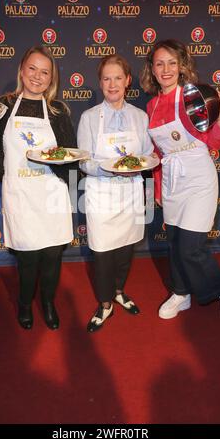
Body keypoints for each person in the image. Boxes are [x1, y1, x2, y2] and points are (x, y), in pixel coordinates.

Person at [0, 45, 78, 330]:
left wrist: (57, 159)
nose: (37, 76)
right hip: (21, 197)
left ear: (51, 79)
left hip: (52, 195)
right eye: (32, 68)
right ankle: (24, 303)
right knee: (28, 259)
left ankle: (48, 302)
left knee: (53, 257)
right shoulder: (1, 109)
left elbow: (71, 161)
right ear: (21, 69)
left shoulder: (57, 112)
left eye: (45, 72)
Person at [140, 38, 220, 325]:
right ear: (152, 68)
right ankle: (180, 291)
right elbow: (158, 153)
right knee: (174, 242)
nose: (166, 69)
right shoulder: (151, 105)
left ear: (182, 65)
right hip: (172, 179)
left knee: (191, 247)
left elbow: (215, 141)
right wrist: (159, 188)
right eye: (159, 63)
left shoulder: (195, 95)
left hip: (198, 177)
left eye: (172, 62)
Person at [77, 54, 154, 333]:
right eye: (107, 78)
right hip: (100, 194)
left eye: (118, 78)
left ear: (127, 81)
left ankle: (119, 291)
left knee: (125, 249)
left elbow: (147, 155)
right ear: (100, 83)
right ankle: (105, 303)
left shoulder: (140, 116)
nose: (112, 84)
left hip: (132, 192)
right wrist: (112, 170)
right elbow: (84, 162)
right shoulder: (88, 118)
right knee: (102, 253)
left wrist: (136, 165)